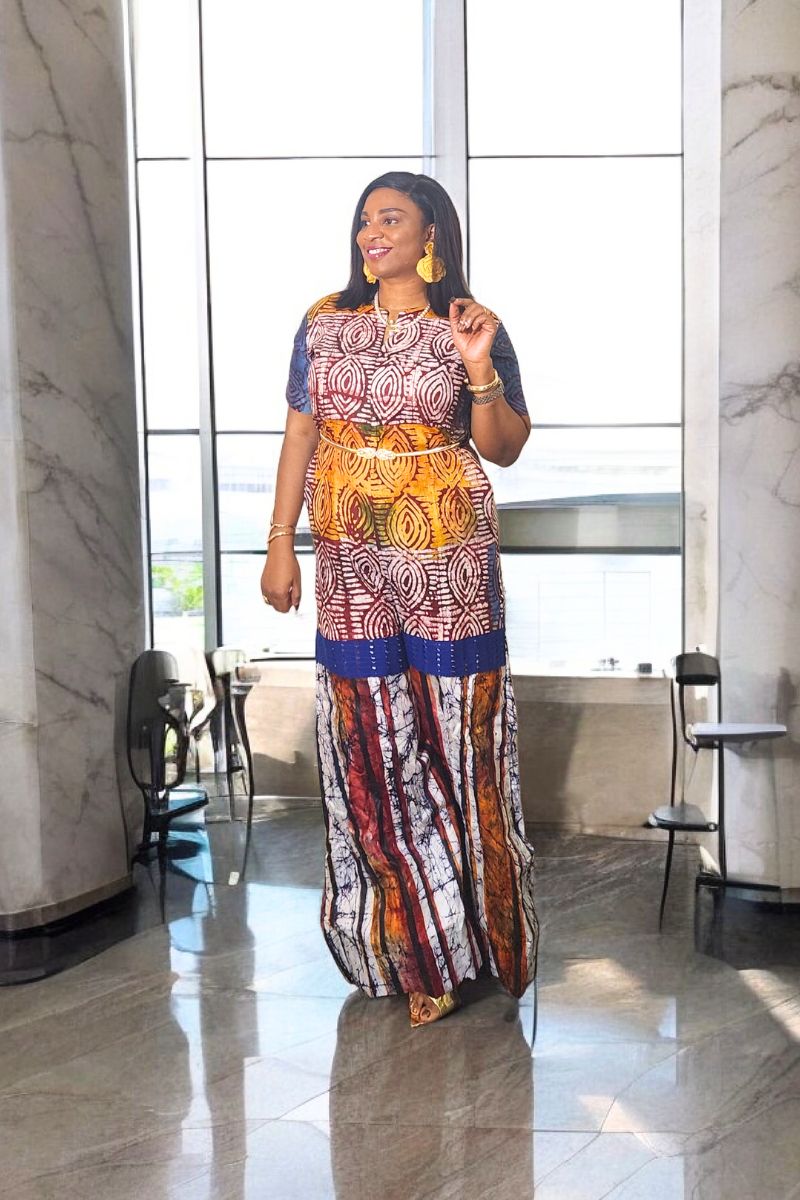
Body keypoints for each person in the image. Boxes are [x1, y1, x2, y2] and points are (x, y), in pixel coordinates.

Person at [260, 171, 539, 1028]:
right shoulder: (324, 322)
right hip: (349, 558)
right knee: (369, 748)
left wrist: (478, 368)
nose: (371, 233)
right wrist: (280, 542)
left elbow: (505, 448)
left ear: (431, 236)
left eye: (390, 219)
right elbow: (301, 432)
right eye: (364, 220)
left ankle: (479, 941)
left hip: (449, 554)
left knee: (459, 742)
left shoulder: (472, 323)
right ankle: (416, 953)